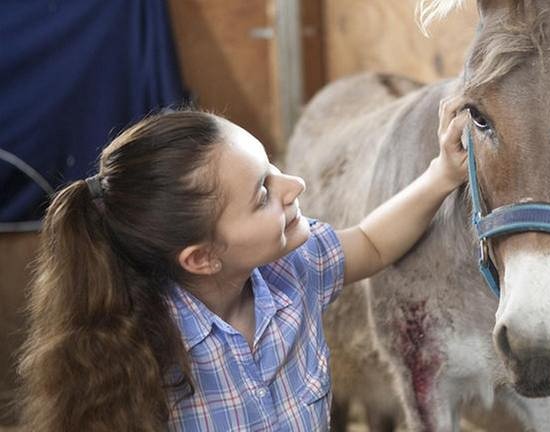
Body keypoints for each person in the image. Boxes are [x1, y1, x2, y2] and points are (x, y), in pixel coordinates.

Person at [16, 96, 469, 432]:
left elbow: (371, 242)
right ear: (203, 258)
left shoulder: (296, 266)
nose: (294, 184)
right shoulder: (141, 352)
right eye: (262, 195)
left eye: (272, 167)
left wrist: (442, 174)